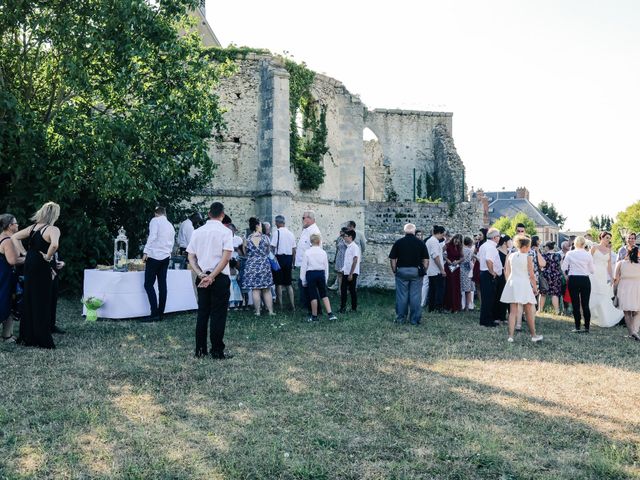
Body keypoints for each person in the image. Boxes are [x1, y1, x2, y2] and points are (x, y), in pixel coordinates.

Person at [187, 202, 233, 359]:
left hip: (203, 275)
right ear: (222, 214)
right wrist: (212, 276)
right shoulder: (226, 232)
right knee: (218, 315)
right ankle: (217, 351)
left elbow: (191, 256)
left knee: (202, 313)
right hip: (218, 277)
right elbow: (226, 257)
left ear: (208, 214)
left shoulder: (197, 231)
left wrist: (200, 274)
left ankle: (200, 349)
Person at [12, 202, 60, 348]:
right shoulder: (53, 229)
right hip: (41, 263)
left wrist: (25, 253)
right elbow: (54, 245)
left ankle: (28, 335)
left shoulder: (33, 227)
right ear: (54, 215)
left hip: (30, 263)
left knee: (30, 296)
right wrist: (48, 257)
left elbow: (14, 237)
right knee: (42, 299)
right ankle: (41, 336)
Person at [501, 235, 543, 343]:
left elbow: (507, 272)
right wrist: (535, 288)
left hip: (512, 283)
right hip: (523, 283)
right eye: (529, 246)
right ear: (525, 246)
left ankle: (510, 336)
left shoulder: (510, 255)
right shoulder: (528, 257)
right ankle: (533, 335)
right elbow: (532, 275)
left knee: (512, 312)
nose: (529, 248)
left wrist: (509, 284)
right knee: (528, 310)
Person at [389, 223, 429, 325]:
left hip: (402, 270)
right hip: (416, 271)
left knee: (402, 296)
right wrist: (423, 270)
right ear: (414, 231)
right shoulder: (420, 243)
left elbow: (393, 259)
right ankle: (415, 320)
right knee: (415, 296)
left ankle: (400, 319)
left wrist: (395, 270)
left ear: (404, 231)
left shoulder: (399, 242)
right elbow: (426, 260)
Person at [142, 206, 175, 322]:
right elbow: (172, 242)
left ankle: (154, 313)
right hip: (166, 257)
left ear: (156, 213)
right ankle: (161, 313)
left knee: (148, 284)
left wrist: (146, 251)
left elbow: (152, 236)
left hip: (155, 256)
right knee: (162, 285)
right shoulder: (170, 225)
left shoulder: (155, 221)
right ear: (164, 213)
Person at [589, 231, 623, 327]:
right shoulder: (594, 248)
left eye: (609, 238)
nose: (608, 240)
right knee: (593, 295)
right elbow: (588, 261)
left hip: (603, 275)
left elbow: (609, 266)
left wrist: (612, 277)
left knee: (603, 296)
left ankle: (602, 318)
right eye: (607, 238)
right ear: (601, 238)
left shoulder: (608, 250)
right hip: (593, 274)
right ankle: (592, 317)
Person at [300, 234, 337, 322]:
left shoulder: (307, 252)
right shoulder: (323, 252)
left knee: (313, 296)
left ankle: (314, 316)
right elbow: (326, 267)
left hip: (311, 274)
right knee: (324, 294)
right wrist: (326, 278)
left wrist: (303, 280)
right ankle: (330, 314)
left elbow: (303, 267)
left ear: (310, 242)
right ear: (319, 241)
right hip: (321, 274)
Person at [562, 236, 595, 333]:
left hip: (573, 279)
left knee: (575, 304)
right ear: (584, 244)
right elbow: (592, 270)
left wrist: (567, 275)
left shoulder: (570, 253)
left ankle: (577, 327)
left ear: (574, 243)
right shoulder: (588, 255)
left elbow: (563, 267)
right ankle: (587, 327)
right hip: (585, 279)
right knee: (585, 304)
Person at [242, 217, 274, 316]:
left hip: (251, 265)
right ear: (257, 226)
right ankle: (271, 311)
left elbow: (244, 252)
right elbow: (268, 251)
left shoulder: (247, 239)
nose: (262, 227)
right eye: (260, 225)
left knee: (255, 290)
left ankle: (257, 311)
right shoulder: (265, 238)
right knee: (266, 289)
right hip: (263, 264)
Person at [0, 214, 24, 342]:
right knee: (4, 302)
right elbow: (12, 260)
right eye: (16, 223)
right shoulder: (7, 240)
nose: (18, 225)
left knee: (9, 303)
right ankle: (6, 336)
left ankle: (7, 335)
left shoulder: (8, 237)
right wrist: (31, 259)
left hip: (4, 275)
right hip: (5, 276)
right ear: (10, 225)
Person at [295, 211, 321, 314]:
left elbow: (315, 249)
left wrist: (310, 266)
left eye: (303, 218)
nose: (302, 220)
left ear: (309, 219)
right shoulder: (306, 230)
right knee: (303, 285)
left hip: (310, 266)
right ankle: (306, 306)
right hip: (303, 264)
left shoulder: (314, 231)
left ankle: (313, 309)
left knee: (310, 287)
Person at [614, 246, 640, 340]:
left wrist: (615, 291)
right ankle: (634, 332)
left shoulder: (620, 263)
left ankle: (631, 332)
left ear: (627, 253)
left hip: (624, 288)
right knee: (637, 311)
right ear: (638, 254)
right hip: (637, 288)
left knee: (627, 312)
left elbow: (616, 279)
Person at [478, 228, 502, 327]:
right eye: (499, 236)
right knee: (489, 298)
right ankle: (487, 321)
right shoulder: (491, 247)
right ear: (495, 237)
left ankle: (485, 319)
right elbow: (489, 260)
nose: (499, 238)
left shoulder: (484, 245)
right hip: (489, 274)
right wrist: (492, 272)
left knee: (486, 298)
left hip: (484, 273)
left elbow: (480, 258)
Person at [270, 215, 296, 310]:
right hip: (289, 258)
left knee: (279, 283)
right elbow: (294, 249)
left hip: (279, 258)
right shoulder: (291, 233)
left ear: (277, 223)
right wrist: (293, 262)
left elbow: (272, 247)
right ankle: (292, 305)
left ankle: (280, 304)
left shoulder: (276, 233)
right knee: (288, 283)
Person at [426, 225, 446, 313]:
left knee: (432, 289)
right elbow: (435, 256)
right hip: (436, 270)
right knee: (439, 290)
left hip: (431, 270)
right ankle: (438, 307)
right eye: (442, 234)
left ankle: (431, 307)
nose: (443, 237)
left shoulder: (430, 241)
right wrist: (441, 269)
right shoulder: (434, 241)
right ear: (438, 233)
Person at [340, 230, 360, 313]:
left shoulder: (354, 247)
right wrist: (343, 269)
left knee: (352, 290)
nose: (344, 237)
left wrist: (351, 274)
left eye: (346, 236)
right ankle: (343, 308)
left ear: (350, 237)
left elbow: (355, 260)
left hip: (352, 273)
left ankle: (354, 308)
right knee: (343, 289)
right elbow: (347, 261)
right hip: (346, 272)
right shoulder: (348, 246)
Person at [539, 242, 562, 314]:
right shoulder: (558, 255)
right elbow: (560, 266)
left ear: (547, 247)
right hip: (556, 275)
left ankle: (540, 309)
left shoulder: (543, 255)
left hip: (546, 275)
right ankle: (557, 310)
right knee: (554, 294)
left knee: (543, 293)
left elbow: (541, 266)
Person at [444, 233, 463, 313]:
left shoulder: (460, 247)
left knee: (456, 287)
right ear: (453, 239)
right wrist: (447, 260)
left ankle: (456, 307)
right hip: (448, 268)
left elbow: (462, 257)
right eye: (455, 241)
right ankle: (448, 306)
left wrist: (458, 261)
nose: (456, 243)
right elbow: (441, 253)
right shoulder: (447, 245)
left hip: (456, 268)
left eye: (458, 242)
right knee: (449, 286)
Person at [494, 234, 511, 323]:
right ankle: (497, 316)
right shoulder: (497, 251)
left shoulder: (509, 252)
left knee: (506, 296)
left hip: (508, 276)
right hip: (499, 276)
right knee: (498, 295)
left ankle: (503, 316)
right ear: (505, 242)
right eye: (509, 240)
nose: (511, 242)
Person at [328, 227, 348, 292]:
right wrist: (335, 258)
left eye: (341, 231)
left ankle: (344, 289)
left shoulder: (346, 239)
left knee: (344, 274)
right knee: (339, 273)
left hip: (345, 257)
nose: (340, 232)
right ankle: (339, 289)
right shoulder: (339, 239)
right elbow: (337, 248)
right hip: (339, 257)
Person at [460, 236, 476, 311]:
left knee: (462, 288)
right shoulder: (470, 250)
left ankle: (462, 305)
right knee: (468, 289)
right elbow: (472, 259)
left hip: (462, 269)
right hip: (469, 269)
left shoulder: (461, 249)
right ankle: (468, 305)